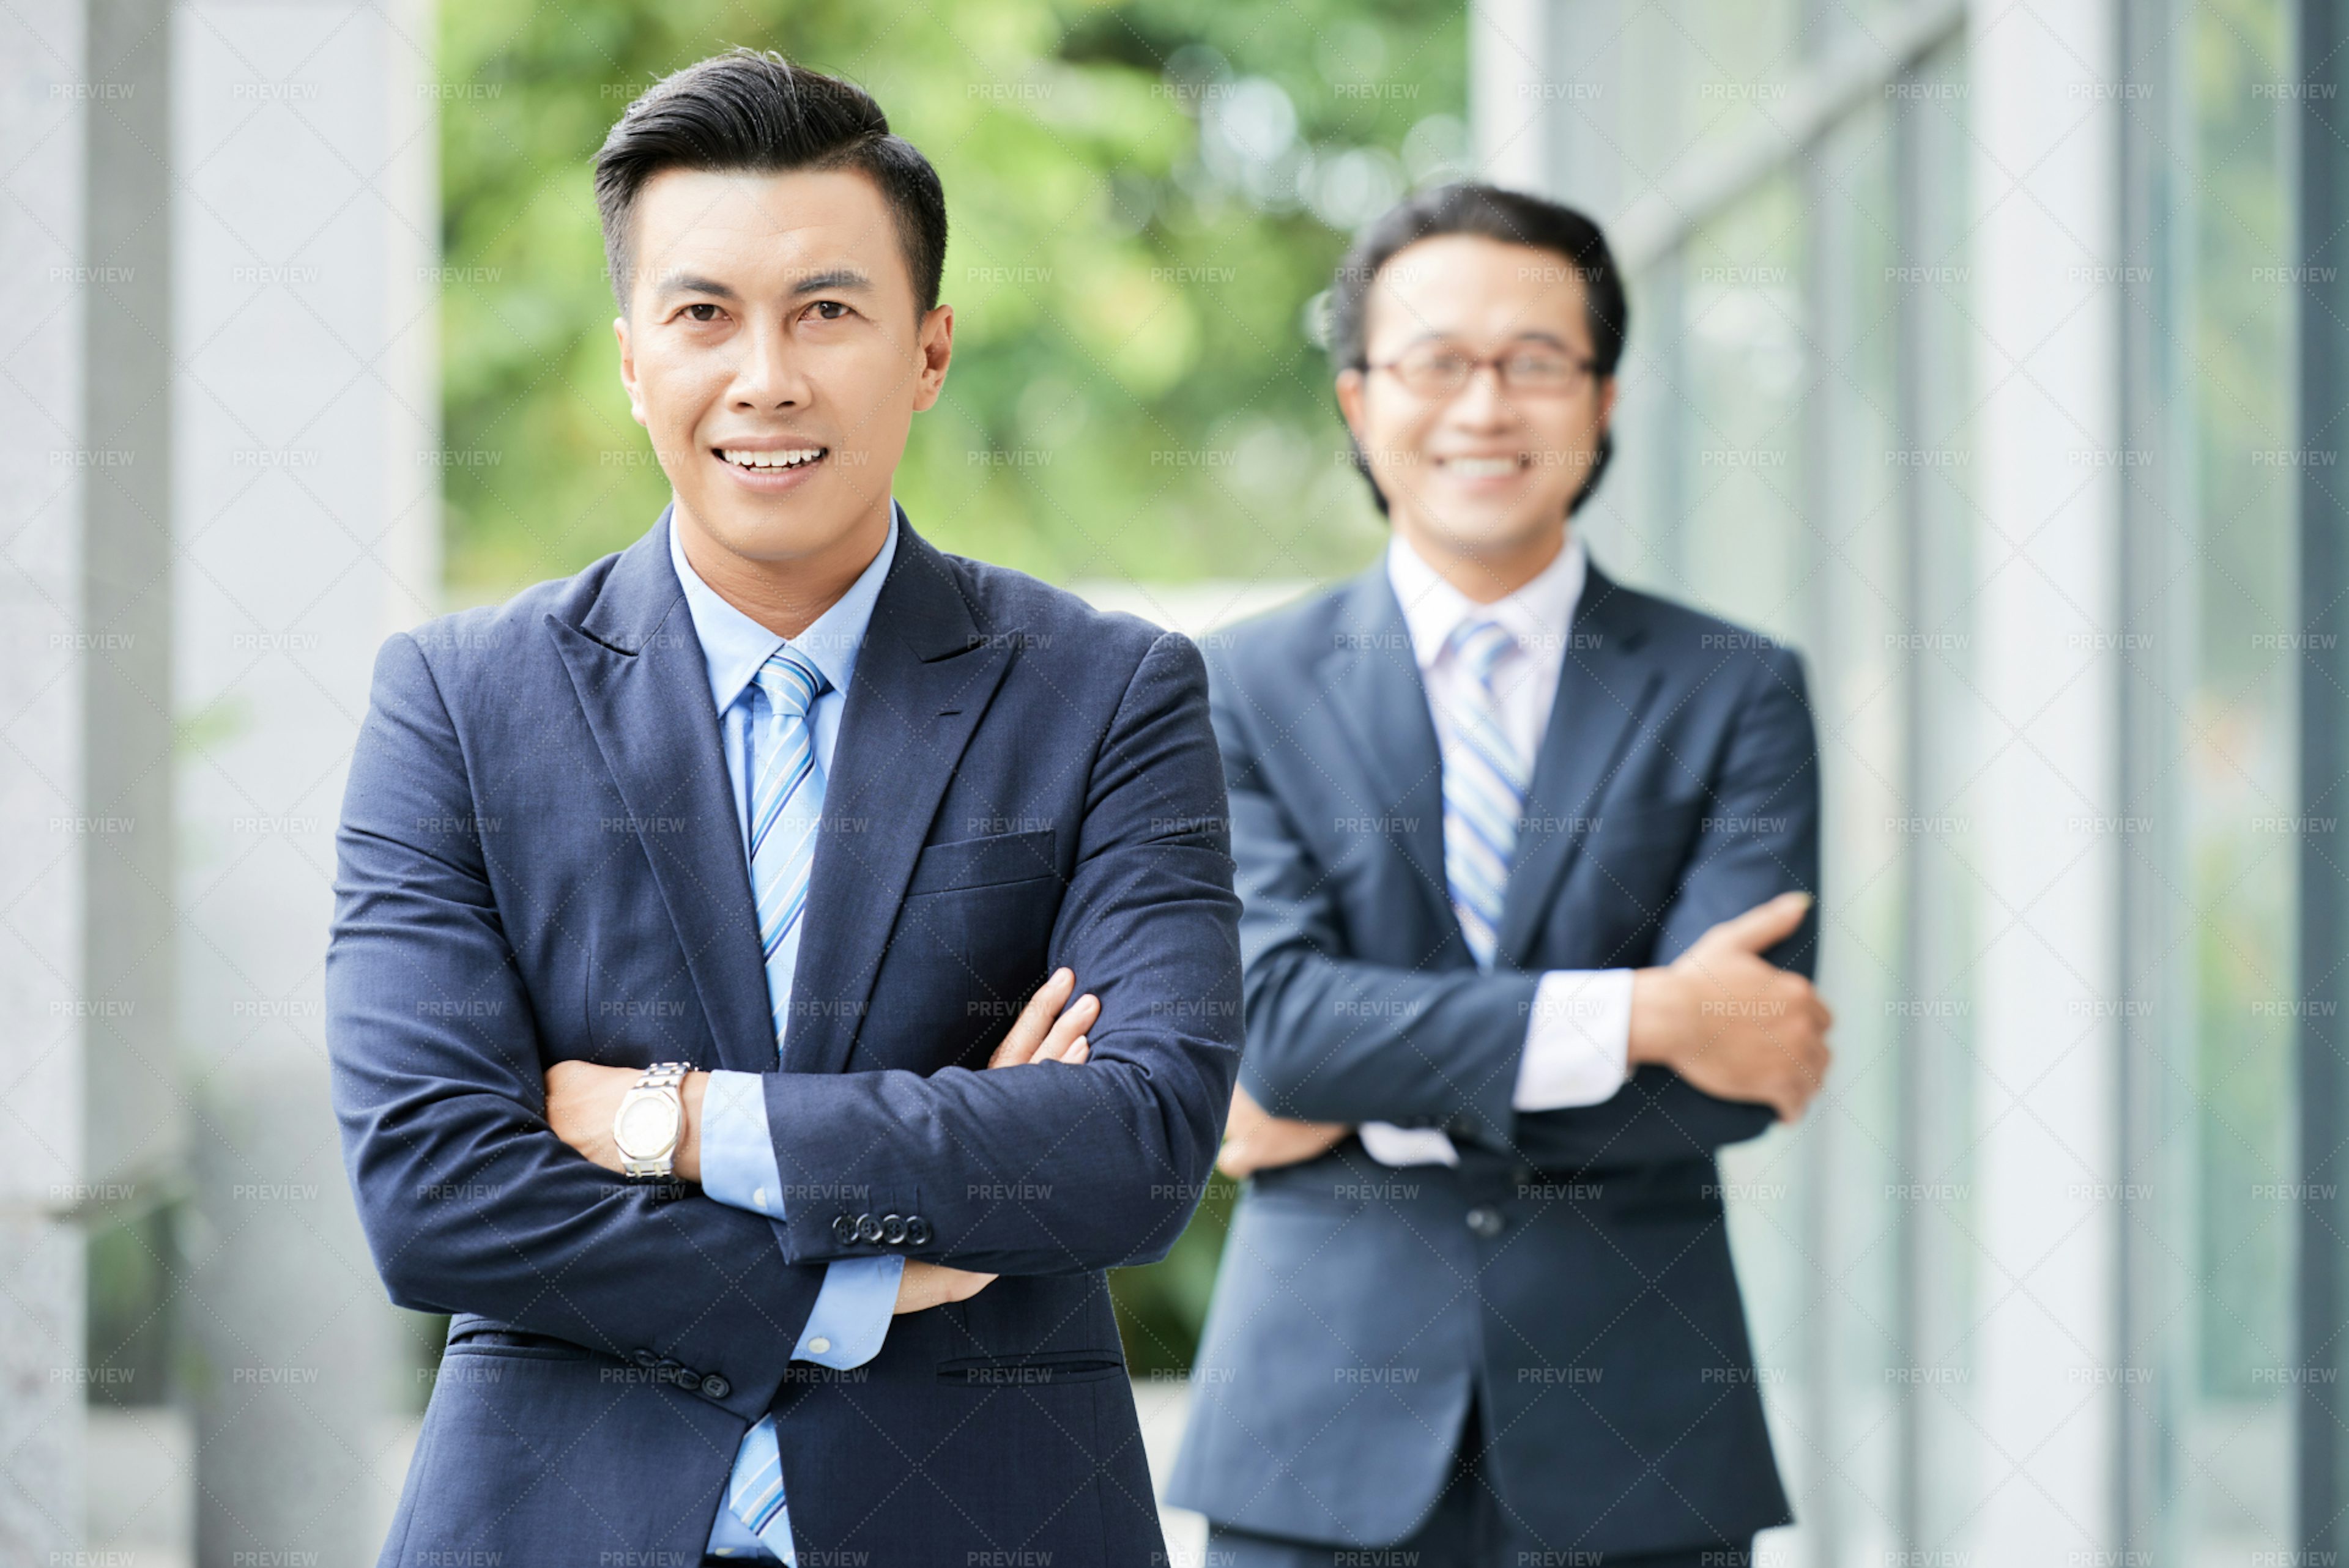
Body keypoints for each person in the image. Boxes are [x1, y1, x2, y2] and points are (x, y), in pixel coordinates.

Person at [324, 48, 1240, 1567]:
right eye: (703, 315)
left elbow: (1136, 1146)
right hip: (560, 1521)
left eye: (828, 310)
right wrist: (868, 1270)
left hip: (991, 1518)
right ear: (632, 358)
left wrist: (672, 1120)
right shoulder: (459, 703)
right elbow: (433, 1193)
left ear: (930, 349)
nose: (767, 377)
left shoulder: (1109, 693)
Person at [1165, 183, 1833, 1567]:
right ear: (1360, 402)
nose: (1486, 406)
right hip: (1317, 1439)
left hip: (1641, 1434)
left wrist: (1357, 1096)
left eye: (1537, 362)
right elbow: (1282, 1031)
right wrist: (1641, 1014)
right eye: (1437, 363)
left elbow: (1738, 1070)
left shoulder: (1736, 688)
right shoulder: (1233, 689)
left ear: (1603, 400)